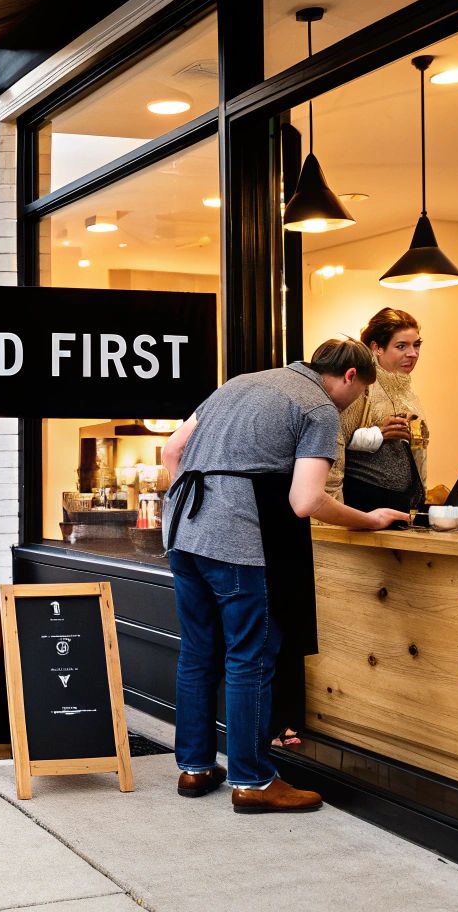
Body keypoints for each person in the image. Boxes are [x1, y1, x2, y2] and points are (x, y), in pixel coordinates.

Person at [159, 339, 408, 813]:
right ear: (351, 377)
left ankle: (194, 768)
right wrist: (370, 519)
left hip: (183, 531)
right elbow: (306, 501)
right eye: (358, 393)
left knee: (197, 652)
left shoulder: (241, 383)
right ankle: (252, 780)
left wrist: (201, 512)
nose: (353, 404)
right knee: (250, 654)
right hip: (235, 539)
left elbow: (173, 451)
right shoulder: (318, 406)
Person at [330, 307, 429, 513]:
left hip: (404, 504)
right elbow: (333, 441)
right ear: (377, 348)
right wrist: (378, 434)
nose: (413, 353)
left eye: (416, 345)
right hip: (361, 505)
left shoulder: (409, 393)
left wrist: (422, 498)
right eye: (401, 346)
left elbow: (419, 453)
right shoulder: (359, 385)